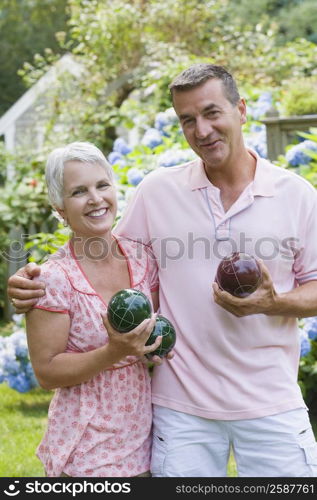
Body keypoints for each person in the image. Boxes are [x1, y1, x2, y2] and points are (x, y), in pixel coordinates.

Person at [8, 64, 317, 477]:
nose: (202, 130)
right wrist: (30, 282)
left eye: (212, 113)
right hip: (180, 411)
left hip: (272, 403)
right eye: (187, 120)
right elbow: (102, 251)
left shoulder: (295, 195)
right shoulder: (157, 192)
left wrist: (274, 302)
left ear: (241, 110)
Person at [22, 141, 167, 478]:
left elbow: (153, 331)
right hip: (86, 451)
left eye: (102, 185)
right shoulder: (53, 279)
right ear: (60, 207)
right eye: (79, 191)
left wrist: (155, 350)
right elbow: (47, 372)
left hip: (144, 441)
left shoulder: (142, 259)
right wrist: (112, 352)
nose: (96, 199)